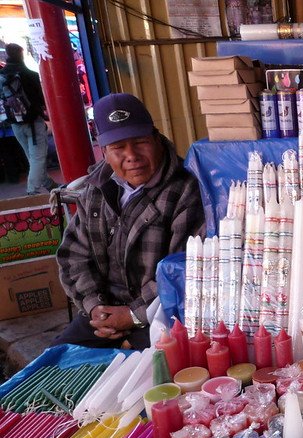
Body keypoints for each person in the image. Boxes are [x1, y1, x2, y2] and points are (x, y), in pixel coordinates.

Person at [54, 93, 204, 349]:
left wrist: (133, 315)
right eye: (118, 148)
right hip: (103, 313)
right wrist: (95, 308)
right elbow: (74, 256)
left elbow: (184, 269)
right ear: (104, 152)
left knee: (144, 376)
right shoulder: (94, 190)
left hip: (161, 315)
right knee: (54, 365)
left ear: (156, 139)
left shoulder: (185, 190)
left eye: (140, 142)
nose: (131, 155)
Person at [0, 43, 56, 194]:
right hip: (33, 122)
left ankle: (50, 185)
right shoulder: (30, 74)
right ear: (21, 53)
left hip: (15, 124)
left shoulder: (2, 75)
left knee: (32, 157)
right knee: (38, 158)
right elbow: (39, 98)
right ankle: (32, 191)